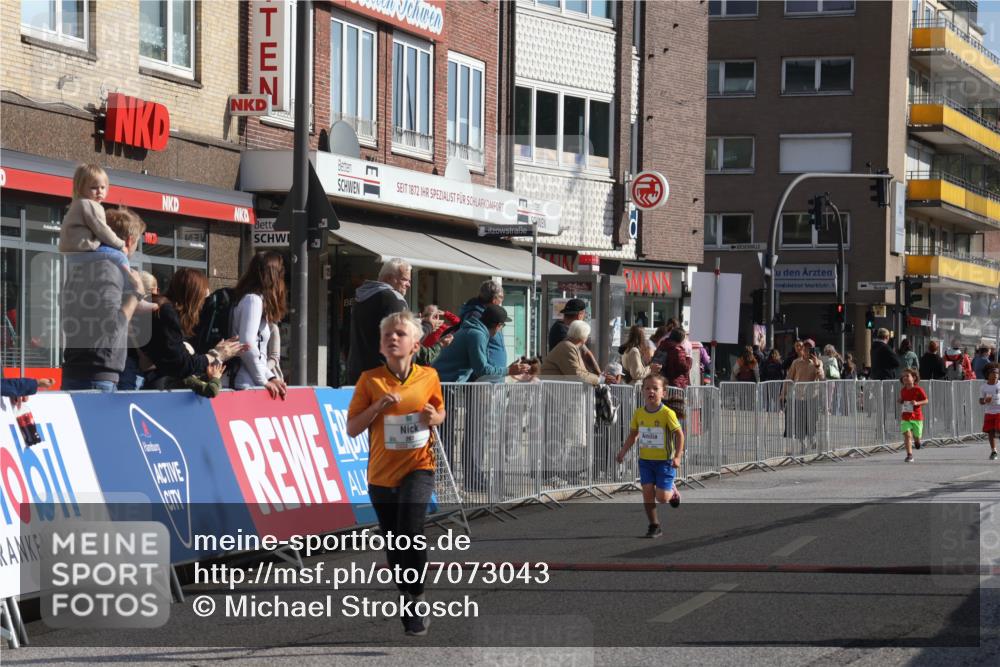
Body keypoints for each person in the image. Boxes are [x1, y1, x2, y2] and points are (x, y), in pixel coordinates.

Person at [346, 311, 445, 637]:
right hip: (381, 475)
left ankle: (416, 598)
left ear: (415, 344)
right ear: (380, 345)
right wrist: (376, 408)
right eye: (387, 334)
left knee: (410, 529)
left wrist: (435, 416)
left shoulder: (429, 376)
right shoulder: (369, 380)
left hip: (419, 467)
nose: (392, 338)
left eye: (400, 333)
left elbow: (439, 411)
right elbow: (352, 429)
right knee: (394, 541)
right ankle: (406, 594)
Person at [61, 208, 147, 391]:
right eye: (136, 244)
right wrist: (136, 294)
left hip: (79, 369)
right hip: (97, 376)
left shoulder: (81, 267)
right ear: (129, 241)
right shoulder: (109, 268)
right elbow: (112, 326)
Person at [141, 268, 242, 390]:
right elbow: (181, 364)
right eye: (201, 297)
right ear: (193, 296)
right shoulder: (165, 312)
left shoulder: (164, 308)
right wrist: (217, 355)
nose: (202, 303)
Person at [615, 375, 684, 539]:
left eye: (655, 388)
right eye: (647, 388)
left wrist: (678, 456)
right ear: (642, 391)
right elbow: (633, 435)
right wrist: (623, 451)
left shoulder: (667, 413)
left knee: (661, 498)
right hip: (645, 461)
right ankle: (654, 525)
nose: (650, 391)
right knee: (647, 492)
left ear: (663, 393)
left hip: (665, 462)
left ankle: (672, 491)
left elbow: (680, 435)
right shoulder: (639, 413)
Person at [231, 251, 289, 400]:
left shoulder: (252, 299)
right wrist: (263, 380)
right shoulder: (253, 300)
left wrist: (270, 377)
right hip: (245, 384)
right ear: (273, 275)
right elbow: (247, 344)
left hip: (250, 382)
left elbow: (255, 349)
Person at [347, 258, 411, 385]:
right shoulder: (393, 299)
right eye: (404, 279)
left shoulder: (361, 298)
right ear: (388, 278)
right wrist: (427, 326)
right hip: (384, 380)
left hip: (357, 375)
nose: (408, 284)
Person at [432, 305, 526, 383]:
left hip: (442, 381)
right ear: (498, 326)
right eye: (502, 326)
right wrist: (508, 371)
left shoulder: (473, 330)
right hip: (445, 384)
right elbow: (482, 370)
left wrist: (507, 369)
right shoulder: (477, 335)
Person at [540, 320, 614, 386]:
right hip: (553, 392)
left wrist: (600, 377)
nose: (588, 337)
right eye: (588, 335)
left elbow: (582, 373)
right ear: (583, 336)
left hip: (556, 391)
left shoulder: (571, 347)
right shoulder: (567, 347)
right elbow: (576, 374)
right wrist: (600, 379)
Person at [782, 340, 825, 453]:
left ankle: (812, 438)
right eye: (805, 348)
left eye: (809, 349)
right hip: (799, 397)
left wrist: (816, 365)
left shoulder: (818, 362)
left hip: (812, 397)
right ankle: (802, 445)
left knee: (811, 422)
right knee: (800, 423)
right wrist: (783, 393)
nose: (807, 351)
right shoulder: (796, 362)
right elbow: (789, 378)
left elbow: (822, 378)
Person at [898, 369, 928, 463]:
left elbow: (926, 400)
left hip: (917, 417)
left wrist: (917, 403)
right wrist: (900, 400)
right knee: (907, 435)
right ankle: (909, 455)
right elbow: (902, 399)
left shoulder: (918, 389)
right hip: (905, 416)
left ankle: (917, 442)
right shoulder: (903, 390)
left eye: (907, 376)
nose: (905, 378)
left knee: (917, 436)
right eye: (903, 377)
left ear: (914, 378)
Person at [978, 363, 1000, 461]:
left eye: (997, 373)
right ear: (988, 374)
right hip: (989, 412)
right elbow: (980, 401)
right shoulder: (983, 387)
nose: (995, 375)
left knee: (999, 429)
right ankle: (993, 451)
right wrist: (985, 401)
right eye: (993, 373)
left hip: (999, 411)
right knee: (990, 431)